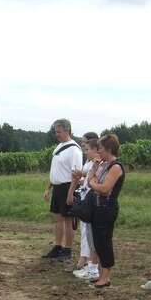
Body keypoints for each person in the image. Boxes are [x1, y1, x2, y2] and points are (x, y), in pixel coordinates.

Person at [88, 134, 125, 288]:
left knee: (104, 242)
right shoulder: (104, 166)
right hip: (98, 208)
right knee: (98, 242)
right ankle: (102, 275)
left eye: (101, 149)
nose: (99, 152)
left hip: (107, 209)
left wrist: (93, 183)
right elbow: (90, 180)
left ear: (109, 149)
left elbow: (104, 188)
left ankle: (106, 277)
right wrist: (95, 168)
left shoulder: (116, 167)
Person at [42, 119, 83, 261]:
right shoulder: (59, 146)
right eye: (55, 131)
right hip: (58, 187)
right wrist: (48, 188)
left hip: (68, 187)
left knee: (68, 220)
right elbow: (55, 170)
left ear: (67, 131)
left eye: (58, 131)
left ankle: (67, 250)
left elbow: (76, 174)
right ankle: (58, 246)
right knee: (58, 218)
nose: (56, 134)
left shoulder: (74, 150)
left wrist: (71, 193)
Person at [67, 138, 100, 281]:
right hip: (86, 200)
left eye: (87, 149)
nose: (85, 152)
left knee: (90, 235)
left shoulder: (97, 163)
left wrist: (83, 176)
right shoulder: (90, 163)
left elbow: (93, 180)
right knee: (87, 234)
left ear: (95, 149)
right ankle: (89, 265)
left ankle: (91, 266)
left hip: (91, 202)